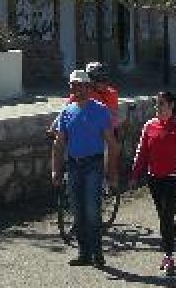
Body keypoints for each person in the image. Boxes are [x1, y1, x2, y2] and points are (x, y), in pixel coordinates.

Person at [51, 69, 121, 267]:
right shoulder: (67, 111)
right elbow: (59, 143)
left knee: (92, 210)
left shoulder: (100, 110)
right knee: (77, 210)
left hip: (93, 165)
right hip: (73, 165)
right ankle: (84, 253)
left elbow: (112, 145)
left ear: (88, 88)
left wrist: (111, 173)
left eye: (81, 85)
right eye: (73, 85)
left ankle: (97, 253)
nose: (77, 89)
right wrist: (56, 169)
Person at [130, 91, 176, 277]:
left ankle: (169, 256)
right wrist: (135, 174)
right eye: (156, 104)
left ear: (171, 106)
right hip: (155, 179)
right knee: (163, 216)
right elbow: (142, 152)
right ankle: (167, 252)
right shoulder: (149, 126)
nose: (157, 107)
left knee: (168, 215)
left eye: (161, 104)